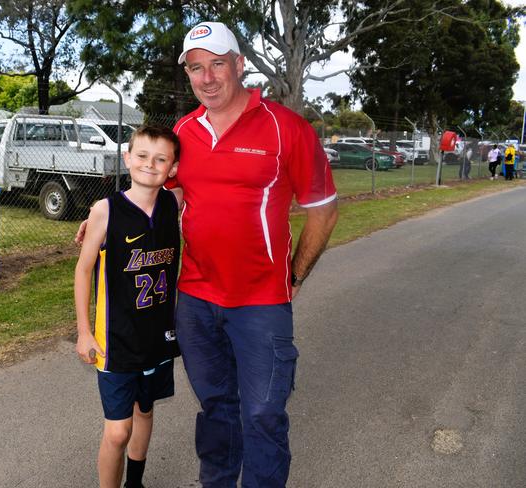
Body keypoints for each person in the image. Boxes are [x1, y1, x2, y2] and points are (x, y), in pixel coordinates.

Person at [76, 21, 338, 488]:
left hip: (261, 303)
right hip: (194, 301)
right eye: (197, 68)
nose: (208, 77)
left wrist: (293, 276)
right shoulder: (184, 132)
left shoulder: (285, 128)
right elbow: (162, 192)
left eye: (218, 64)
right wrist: (108, 213)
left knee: (262, 414)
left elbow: (324, 209)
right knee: (217, 407)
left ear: (239, 65)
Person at [74, 125, 183, 488]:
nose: (150, 165)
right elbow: (83, 268)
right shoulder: (106, 211)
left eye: (161, 159)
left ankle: (135, 482)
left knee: (146, 410)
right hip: (116, 341)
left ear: (172, 168)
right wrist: (84, 332)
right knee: (118, 431)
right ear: (126, 158)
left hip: (157, 337)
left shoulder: (174, 202)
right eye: (141, 155)